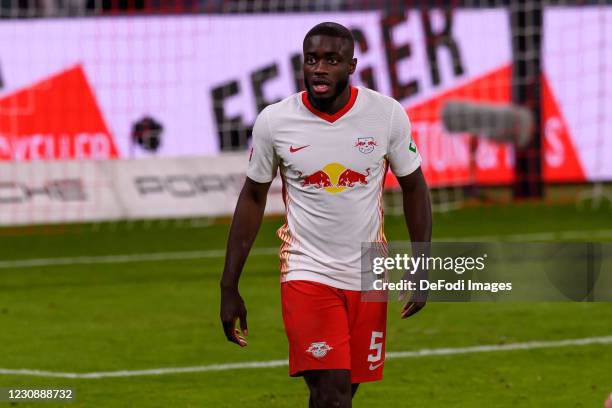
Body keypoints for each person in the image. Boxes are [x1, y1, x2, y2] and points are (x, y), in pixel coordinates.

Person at [220, 21, 432, 407]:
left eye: (331, 60)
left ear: (351, 66)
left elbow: (415, 187)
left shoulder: (385, 115)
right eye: (312, 59)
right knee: (332, 393)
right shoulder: (275, 121)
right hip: (307, 272)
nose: (319, 68)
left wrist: (422, 264)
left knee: (339, 393)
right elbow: (252, 197)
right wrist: (228, 285)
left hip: (369, 274)